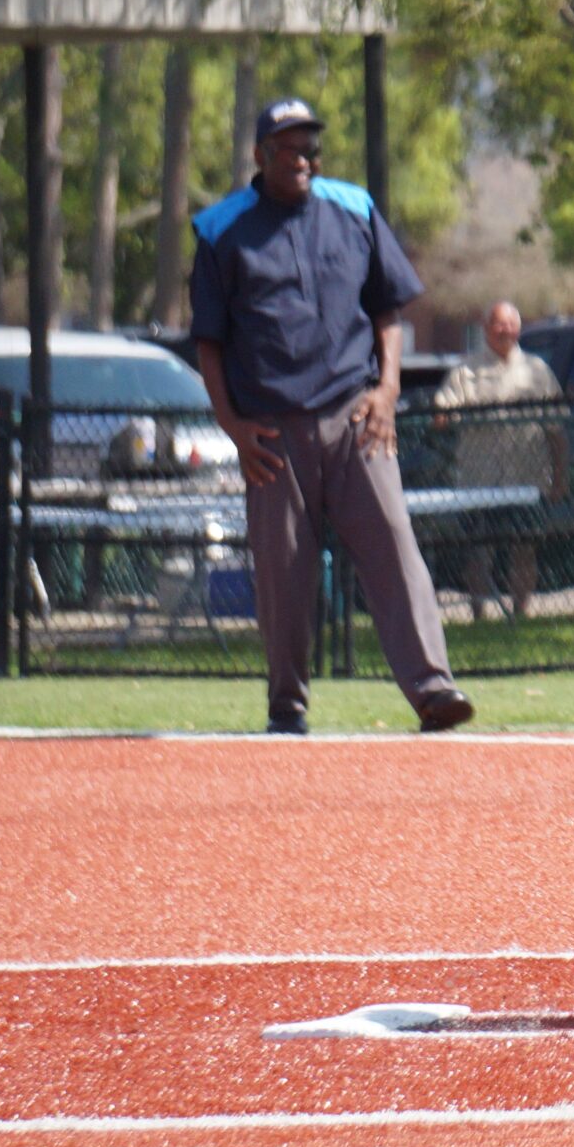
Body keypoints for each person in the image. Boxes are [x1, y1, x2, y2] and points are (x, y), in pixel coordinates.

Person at [189, 98, 473, 736]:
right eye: (289, 146)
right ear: (261, 154)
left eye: (310, 145)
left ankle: (434, 689)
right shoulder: (220, 229)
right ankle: (287, 703)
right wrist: (233, 427)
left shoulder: (353, 209)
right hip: (271, 428)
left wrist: (389, 390)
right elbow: (208, 341)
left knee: (396, 549)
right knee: (282, 570)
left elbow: (388, 312)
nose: (304, 157)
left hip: (355, 413)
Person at [434, 301, 566, 620]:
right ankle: (480, 615)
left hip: (527, 478)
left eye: (509, 324)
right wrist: (451, 414)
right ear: (486, 329)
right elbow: (440, 415)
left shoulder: (538, 371)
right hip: (479, 481)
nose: (504, 330)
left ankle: (520, 614)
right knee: (479, 552)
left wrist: (560, 476)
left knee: (524, 549)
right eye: (497, 324)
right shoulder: (465, 371)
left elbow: (557, 429)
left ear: (518, 329)